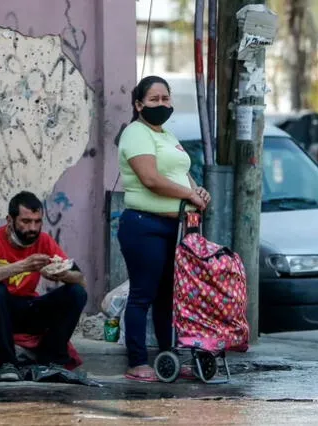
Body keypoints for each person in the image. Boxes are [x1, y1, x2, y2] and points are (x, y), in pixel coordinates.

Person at [117, 75, 211, 382]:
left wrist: (199, 192)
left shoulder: (167, 134)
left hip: (177, 227)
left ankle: (167, 357)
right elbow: (151, 179)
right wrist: (188, 194)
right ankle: (137, 362)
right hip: (144, 226)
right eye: (154, 99)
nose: (162, 104)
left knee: (168, 297)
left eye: (165, 99)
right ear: (138, 104)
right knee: (143, 295)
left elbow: (182, 175)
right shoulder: (136, 132)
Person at [0, 191, 87, 381]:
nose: (32, 228)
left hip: (25, 308)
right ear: (10, 219)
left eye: (37, 221)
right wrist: (24, 265)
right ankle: (6, 363)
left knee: (76, 293)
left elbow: (81, 279)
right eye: (25, 221)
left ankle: (51, 361)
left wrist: (61, 274)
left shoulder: (44, 241)